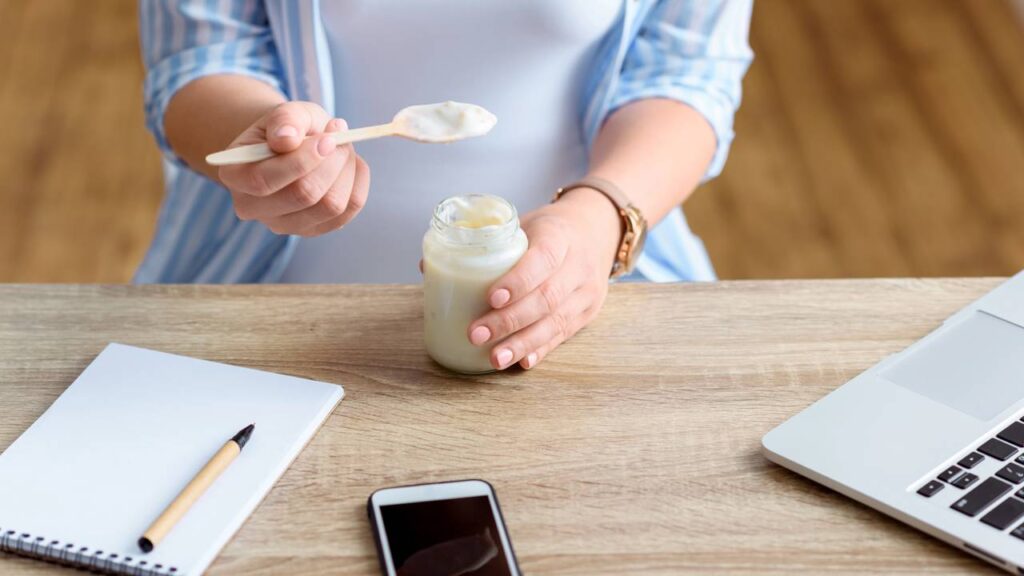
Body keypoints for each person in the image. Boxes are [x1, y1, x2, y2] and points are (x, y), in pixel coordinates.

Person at [137, 0, 753, 370]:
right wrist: (261, 138)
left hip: (585, 292)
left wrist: (601, 219)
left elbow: (687, 70)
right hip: (260, 317)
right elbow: (200, 55)